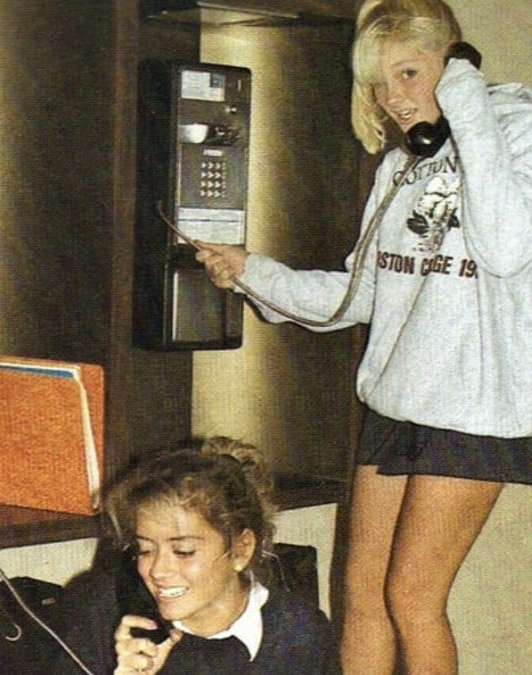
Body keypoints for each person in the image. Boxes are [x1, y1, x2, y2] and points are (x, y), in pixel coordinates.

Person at [195, 1, 532, 672]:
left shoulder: (515, 133)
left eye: (410, 74)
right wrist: (252, 273)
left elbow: (506, 246)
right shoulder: (401, 164)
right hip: (398, 399)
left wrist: (467, 112)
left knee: (413, 596)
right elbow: (358, 295)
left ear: (456, 64)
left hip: (472, 408)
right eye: (381, 83)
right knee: (362, 592)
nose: (395, 100)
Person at [52, 438, 339, 675]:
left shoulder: (299, 633)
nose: (158, 571)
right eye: (145, 550)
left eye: (184, 552)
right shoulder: (100, 615)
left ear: (241, 549)